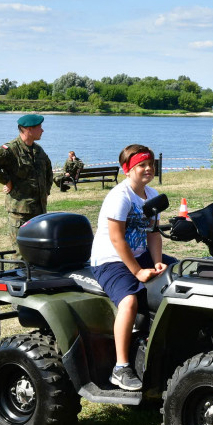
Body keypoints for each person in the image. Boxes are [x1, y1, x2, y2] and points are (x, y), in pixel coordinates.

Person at [88, 145, 168, 391]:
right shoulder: (119, 196)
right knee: (129, 302)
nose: (148, 169)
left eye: (150, 164)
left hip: (140, 254)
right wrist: (138, 271)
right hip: (110, 259)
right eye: (141, 165)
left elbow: (153, 233)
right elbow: (117, 239)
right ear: (127, 169)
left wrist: (156, 261)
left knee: (181, 278)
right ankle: (121, 367)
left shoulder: (151, 194)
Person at [0, 113, 53, 247]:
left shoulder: (38, 150)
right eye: (39, 127)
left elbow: (48, 170)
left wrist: (45, 191)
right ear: (29, 129)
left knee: (38, 250)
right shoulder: (11, 149)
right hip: (20, 213)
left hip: (39, 211)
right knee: (21, 252)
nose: (42, 130)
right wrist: (7, 180)